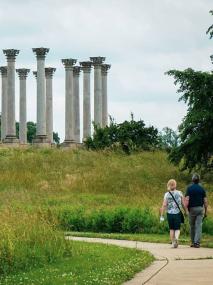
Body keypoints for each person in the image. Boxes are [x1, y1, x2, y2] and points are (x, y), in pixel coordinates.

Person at [160, 179, 188, 248]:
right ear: (175, 185)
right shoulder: (179, 193)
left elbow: (164, 205)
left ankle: (173, 243)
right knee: (177, 228)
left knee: (171, 229)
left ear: (168, 185)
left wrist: (161, 215)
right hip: (177, 213)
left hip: (169, 213)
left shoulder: (166, 194)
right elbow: (183, 204)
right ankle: (176, 238)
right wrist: (186, 211)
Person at [185, 174, 208, 248]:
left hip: (191, 209)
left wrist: (186, 209)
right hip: (200, 209)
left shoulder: (189, 188)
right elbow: (205, 201)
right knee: (199, 226)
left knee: (192, 226)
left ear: (192, 180)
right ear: (199, 180)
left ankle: (192, 242)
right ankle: (197, 243)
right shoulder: (202, 189)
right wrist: (206, 211)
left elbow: (187, 199)